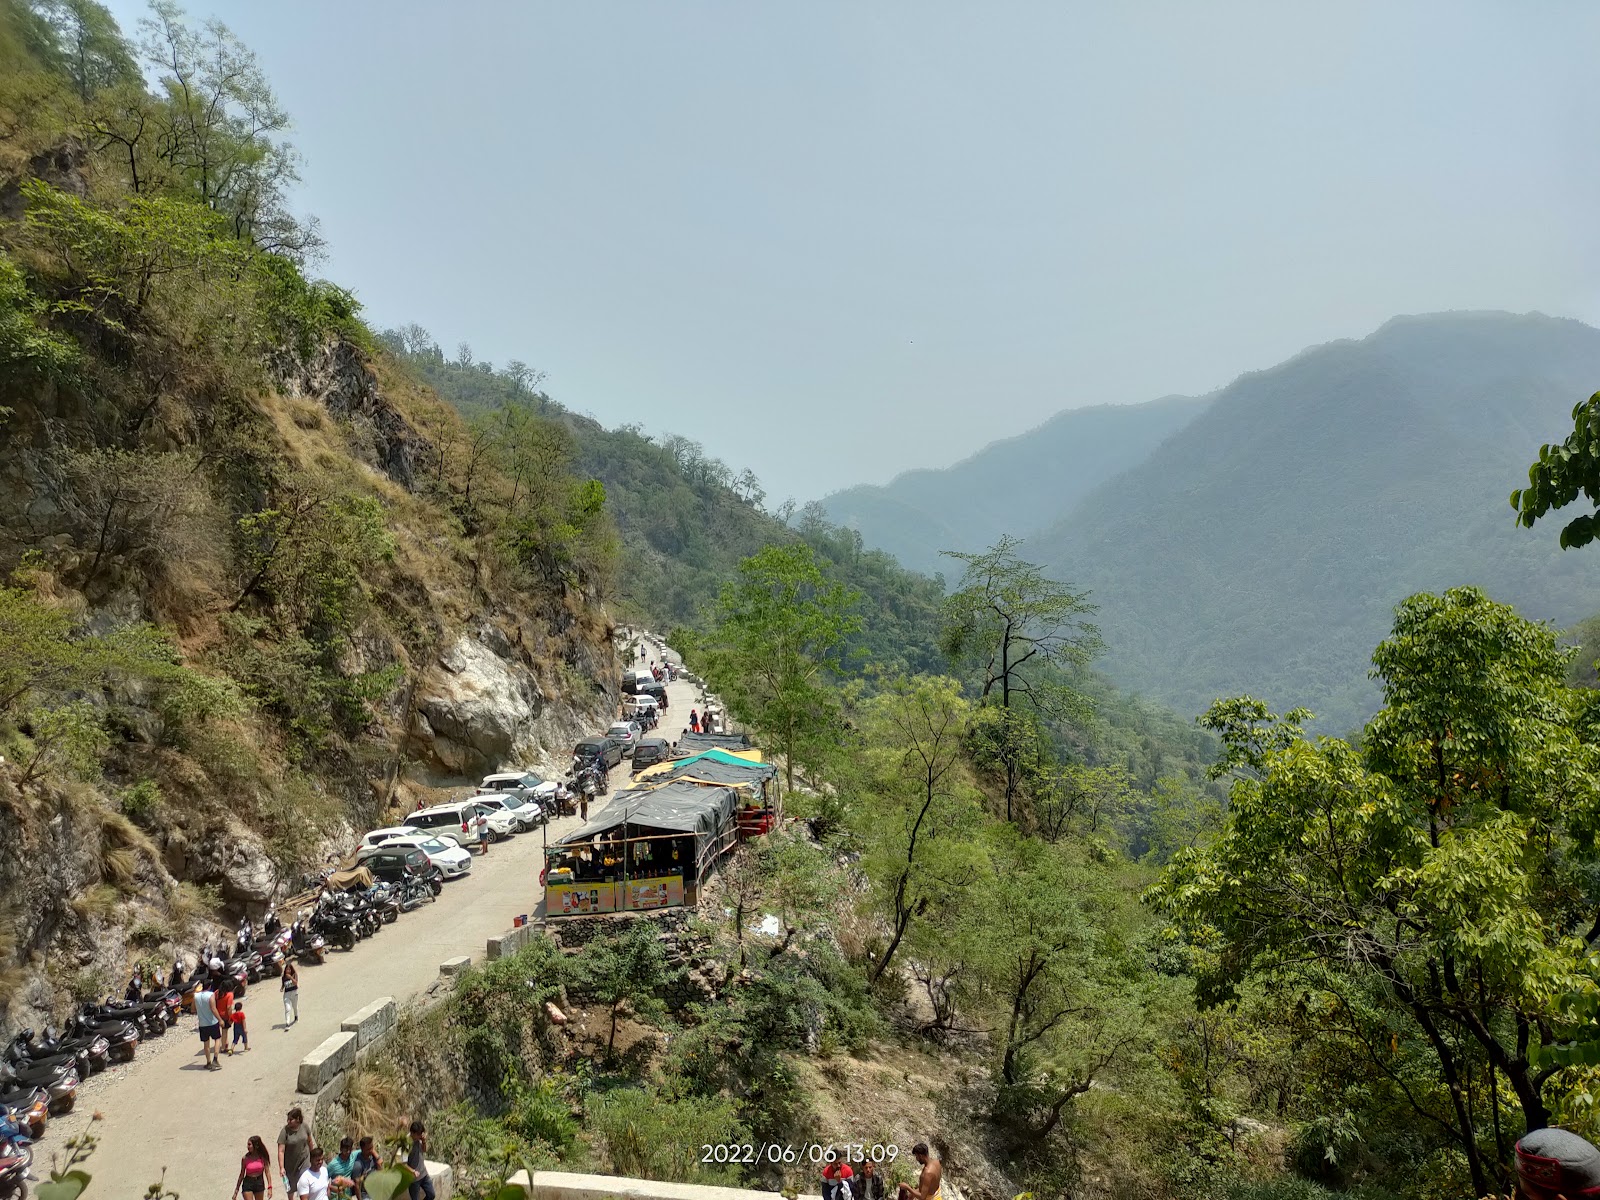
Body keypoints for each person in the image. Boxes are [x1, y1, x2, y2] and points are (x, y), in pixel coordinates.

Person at [278, 1107, 314, 1195]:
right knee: (291, 1188)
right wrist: (281, 1167)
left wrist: (313, 1155)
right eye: (288, 1119)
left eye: (291, 1119)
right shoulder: (285, 1131)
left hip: (305, 1160)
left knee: (305, 1181)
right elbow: (281, 1151)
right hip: (290, 1164)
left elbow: (309, 1141)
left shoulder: (304, 1126)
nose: (288, 1121)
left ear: (298, 1119)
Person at [194, 979, 223, 1070]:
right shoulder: (211, 995)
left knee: (206, 1044)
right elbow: (213, 1009)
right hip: (212, 1022)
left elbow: (192, 1009)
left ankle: (208, 1062)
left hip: (202, 1024)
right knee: (217, 1039)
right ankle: (215, 1059)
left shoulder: (196, 996)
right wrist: (220, 1020)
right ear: (210, 986)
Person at [234, 1134, 274, 1200]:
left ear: (256, 1145)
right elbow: (242, 1174)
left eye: (249, 1144)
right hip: (248, 1183)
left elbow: (267, 1172)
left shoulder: (262, 1157)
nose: (247, 1146)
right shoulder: (245, 1158)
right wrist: (236, 1190)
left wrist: (270, 1187)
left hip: (259, 1182)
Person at [404, 1120, 434, 1200]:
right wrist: (413, 1171)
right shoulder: (406, 1144)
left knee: (431, 1195)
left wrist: (424, 1141)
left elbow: (424, 1150)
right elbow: (403, 1164)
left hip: (424, 1174)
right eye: (418, 1134)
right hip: (413, 1179)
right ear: (412, 1133)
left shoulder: (418, 1140)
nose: (420, 1136)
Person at [217, 981, 236, 1055]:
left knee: (221, 1031)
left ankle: (225, 1043)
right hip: (225, 1015)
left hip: (217, 1015)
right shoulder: (230, 995)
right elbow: (229, 1007)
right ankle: (223, 1047)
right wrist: (231, 1018)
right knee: (225, 1031)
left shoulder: (217, 992)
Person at [281, 959, 300, 1028]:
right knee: (287, 1008)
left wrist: (291, 978)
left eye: (289, 970)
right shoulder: (283, 977)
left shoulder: (294, 975)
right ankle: (287, 1023)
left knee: (295, 1007)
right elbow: (283, 984)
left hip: (294, 992)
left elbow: (295, 983)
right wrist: (281, 988)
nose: (288, 971)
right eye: (287, 970)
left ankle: (296, 1016)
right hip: (287, 994)